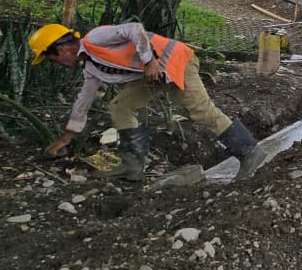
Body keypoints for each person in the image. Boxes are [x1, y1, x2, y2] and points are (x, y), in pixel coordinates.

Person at [28, 22, 266, 182]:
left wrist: (149, 60)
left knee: (200, 110)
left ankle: (250, 152)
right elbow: (83, 102)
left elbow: (134, 29)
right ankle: (132, 166)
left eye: (51, 59)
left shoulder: (95, 39)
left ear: (62, 49)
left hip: (176, 60)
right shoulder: (91, 67)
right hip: (153, 74)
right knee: (121, 106)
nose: (56, 65)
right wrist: (66, 138)